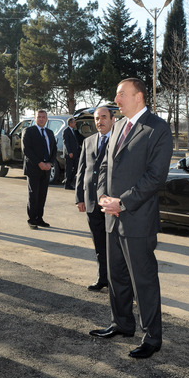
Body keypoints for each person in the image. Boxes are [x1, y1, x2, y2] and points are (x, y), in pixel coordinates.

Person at [89, 78, 173, 359]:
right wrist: (103, 197)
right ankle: (122, 323)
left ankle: (152, 336)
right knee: (117, 277)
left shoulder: (157, 129)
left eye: (121, 94)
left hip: (137, 219)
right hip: (111, 216)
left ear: (138, 96)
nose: (117, 99)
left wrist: (122, 202)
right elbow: (103, 166)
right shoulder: (118, 127)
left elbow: (155, 177)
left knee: (143, 280)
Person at [75, 106, 115, 291]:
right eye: (97, 118)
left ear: (112, 119)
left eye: (104, 117)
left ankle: (117, 283)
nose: (100, 121)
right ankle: (102, 278)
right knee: (99, 245)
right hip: (91, 201)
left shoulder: (118, 141)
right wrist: (79, 198)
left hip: (110, 203)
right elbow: (82, 171)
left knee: (114, 246)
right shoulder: (88, 141)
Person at [23, 109, 57, 229]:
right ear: (35, 118)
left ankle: (39, 218)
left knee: (42, 195)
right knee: (33, 195)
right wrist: (39, 163)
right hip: (34, 168)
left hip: (46, 169)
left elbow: (54, 149)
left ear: (46, 119)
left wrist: (50, 163)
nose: (41, 119)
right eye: (39, 117)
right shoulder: (29, 131)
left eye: (43, 117)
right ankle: (32, 219)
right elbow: (27, 150)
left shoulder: (50, 132)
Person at [62, 117, 80, 190]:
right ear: (70, 123)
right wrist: (69, 152)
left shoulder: (74, 131)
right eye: (74, 122)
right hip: (70, 154)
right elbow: (66, 142)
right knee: (69, 170)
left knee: (76, 168)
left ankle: (68, 181)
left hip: (75, 153)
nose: (75, 123)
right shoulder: (66, 131)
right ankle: (67, 184)